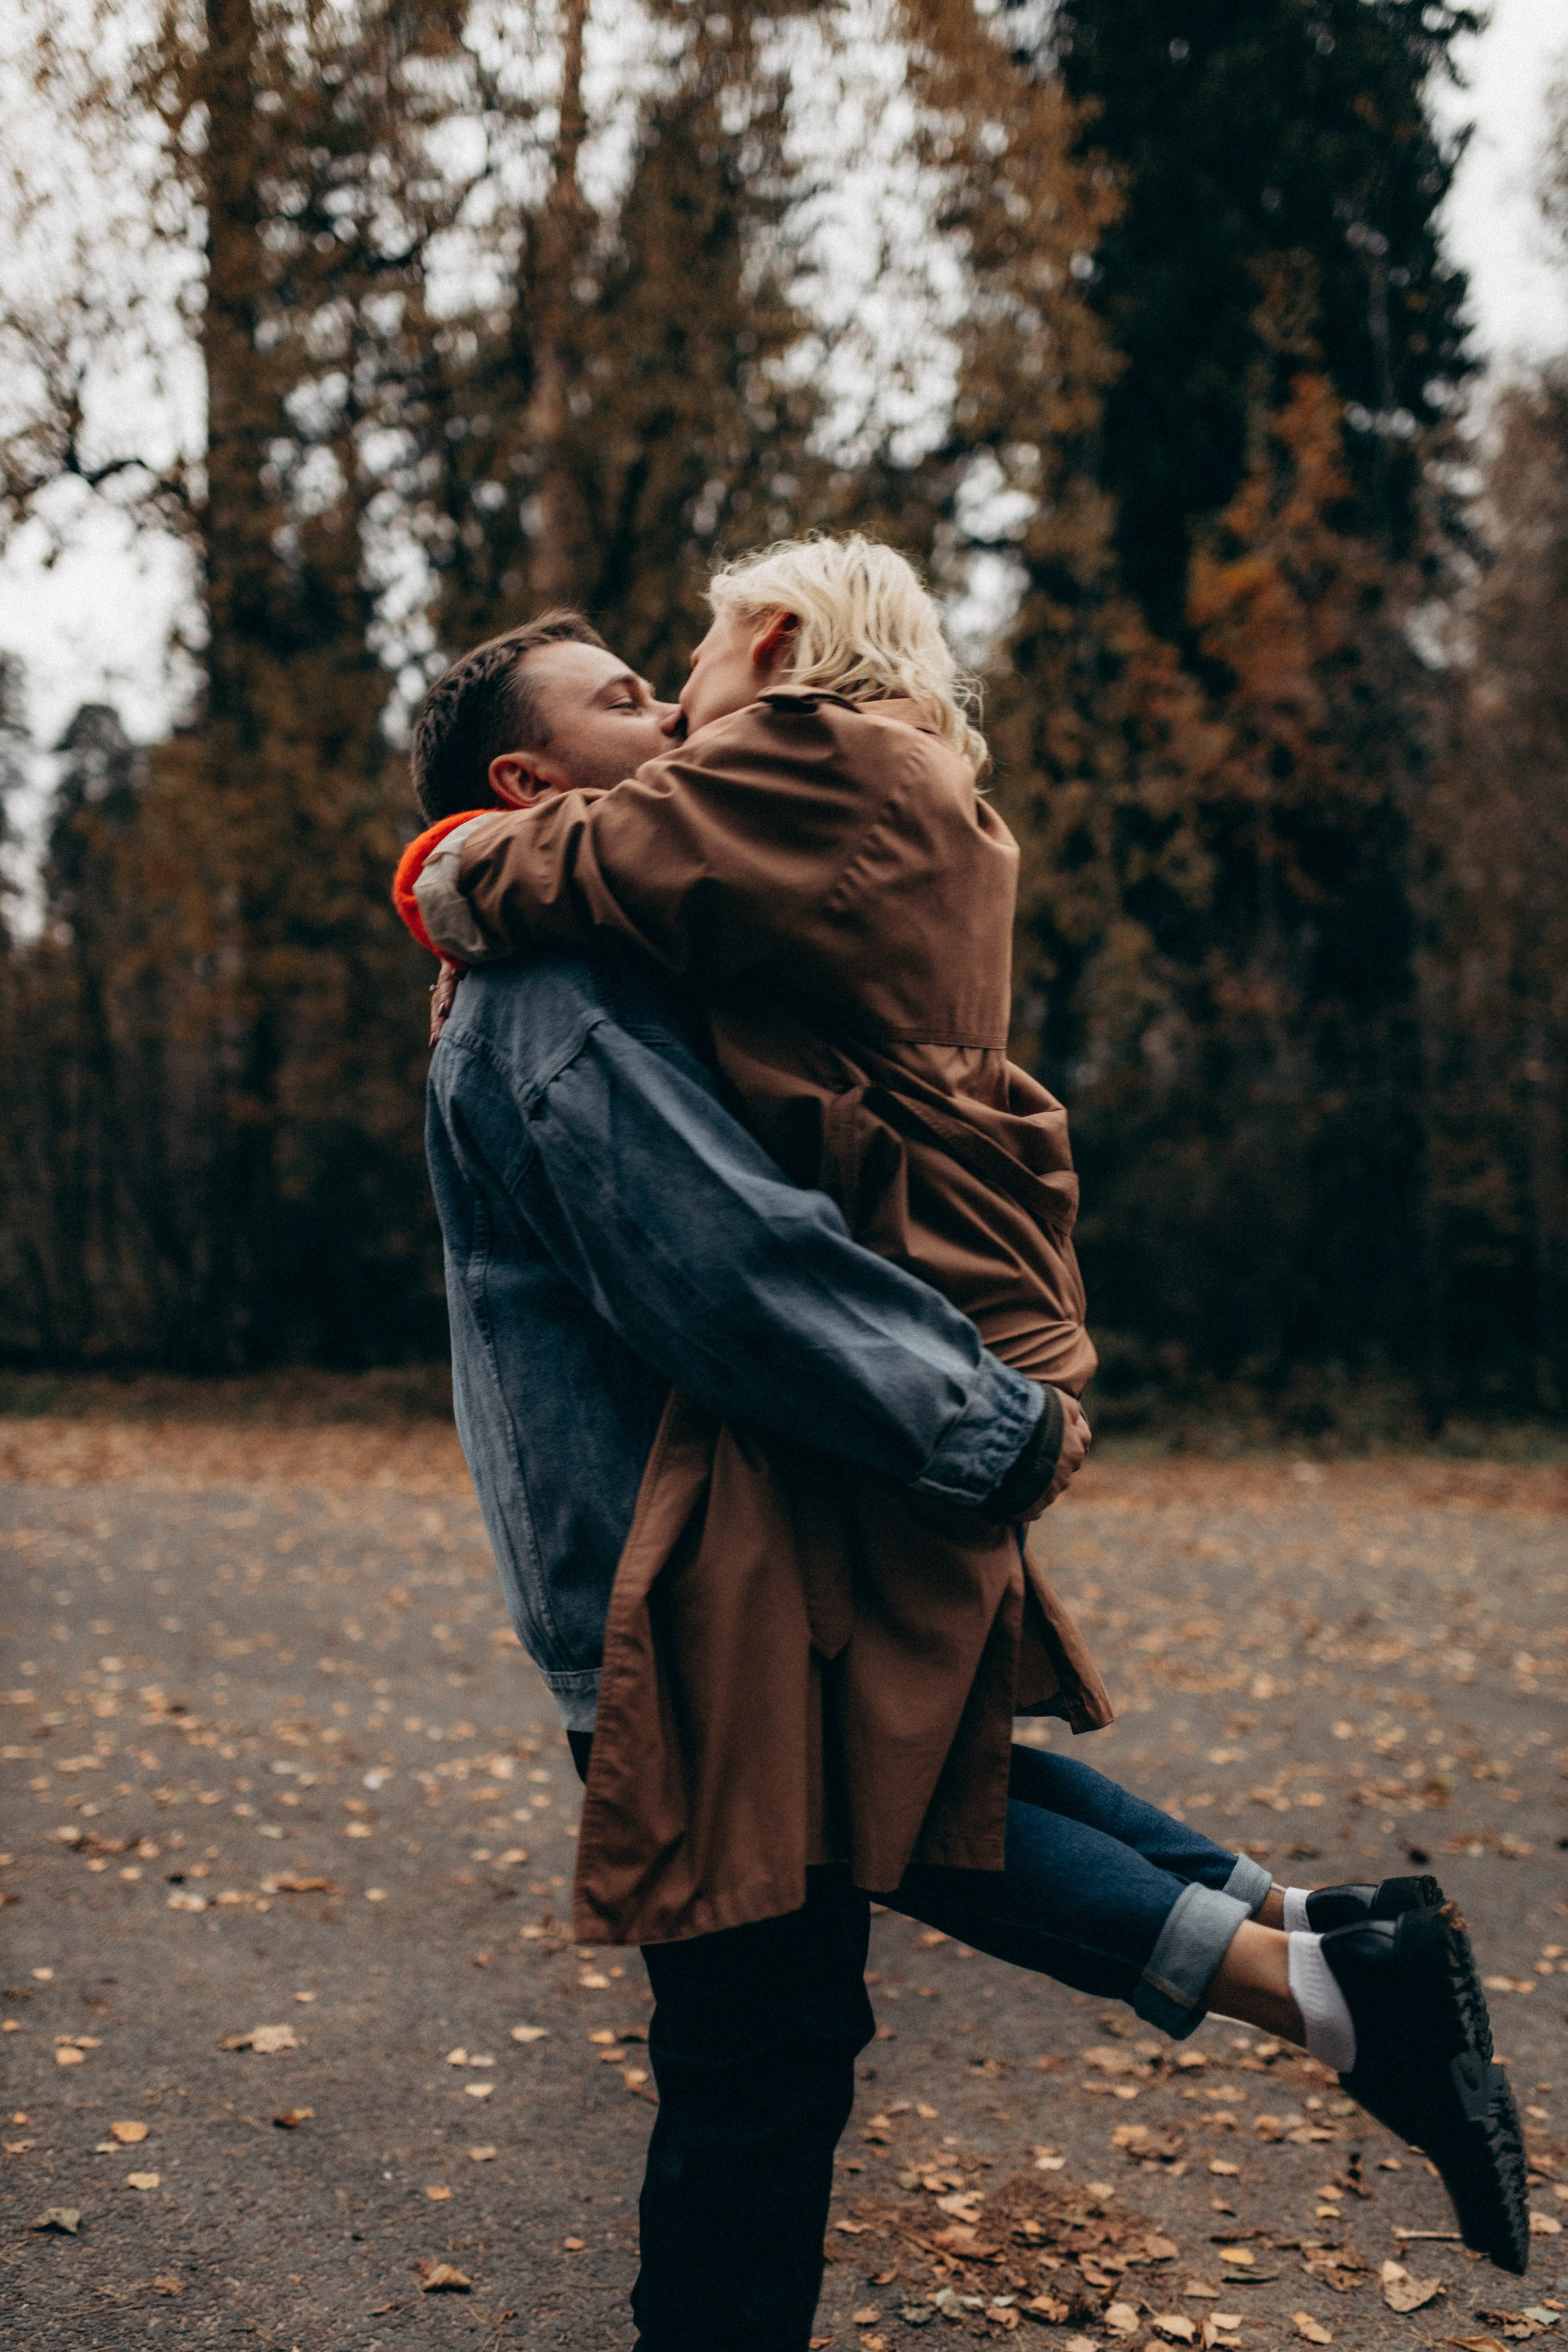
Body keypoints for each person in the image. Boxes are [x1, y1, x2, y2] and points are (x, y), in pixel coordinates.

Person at [399, 575, 1528, 2345]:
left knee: (838, 1936)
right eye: (626, 697)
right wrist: (983, 1424)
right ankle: (1329, 1972)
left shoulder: (609, 957)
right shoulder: (548, 997)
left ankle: (1331, 1963)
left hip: (723, 1560)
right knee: (764, 2054)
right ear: (530, 788)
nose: (674, 718)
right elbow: (727, 1273)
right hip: (669, 1584)